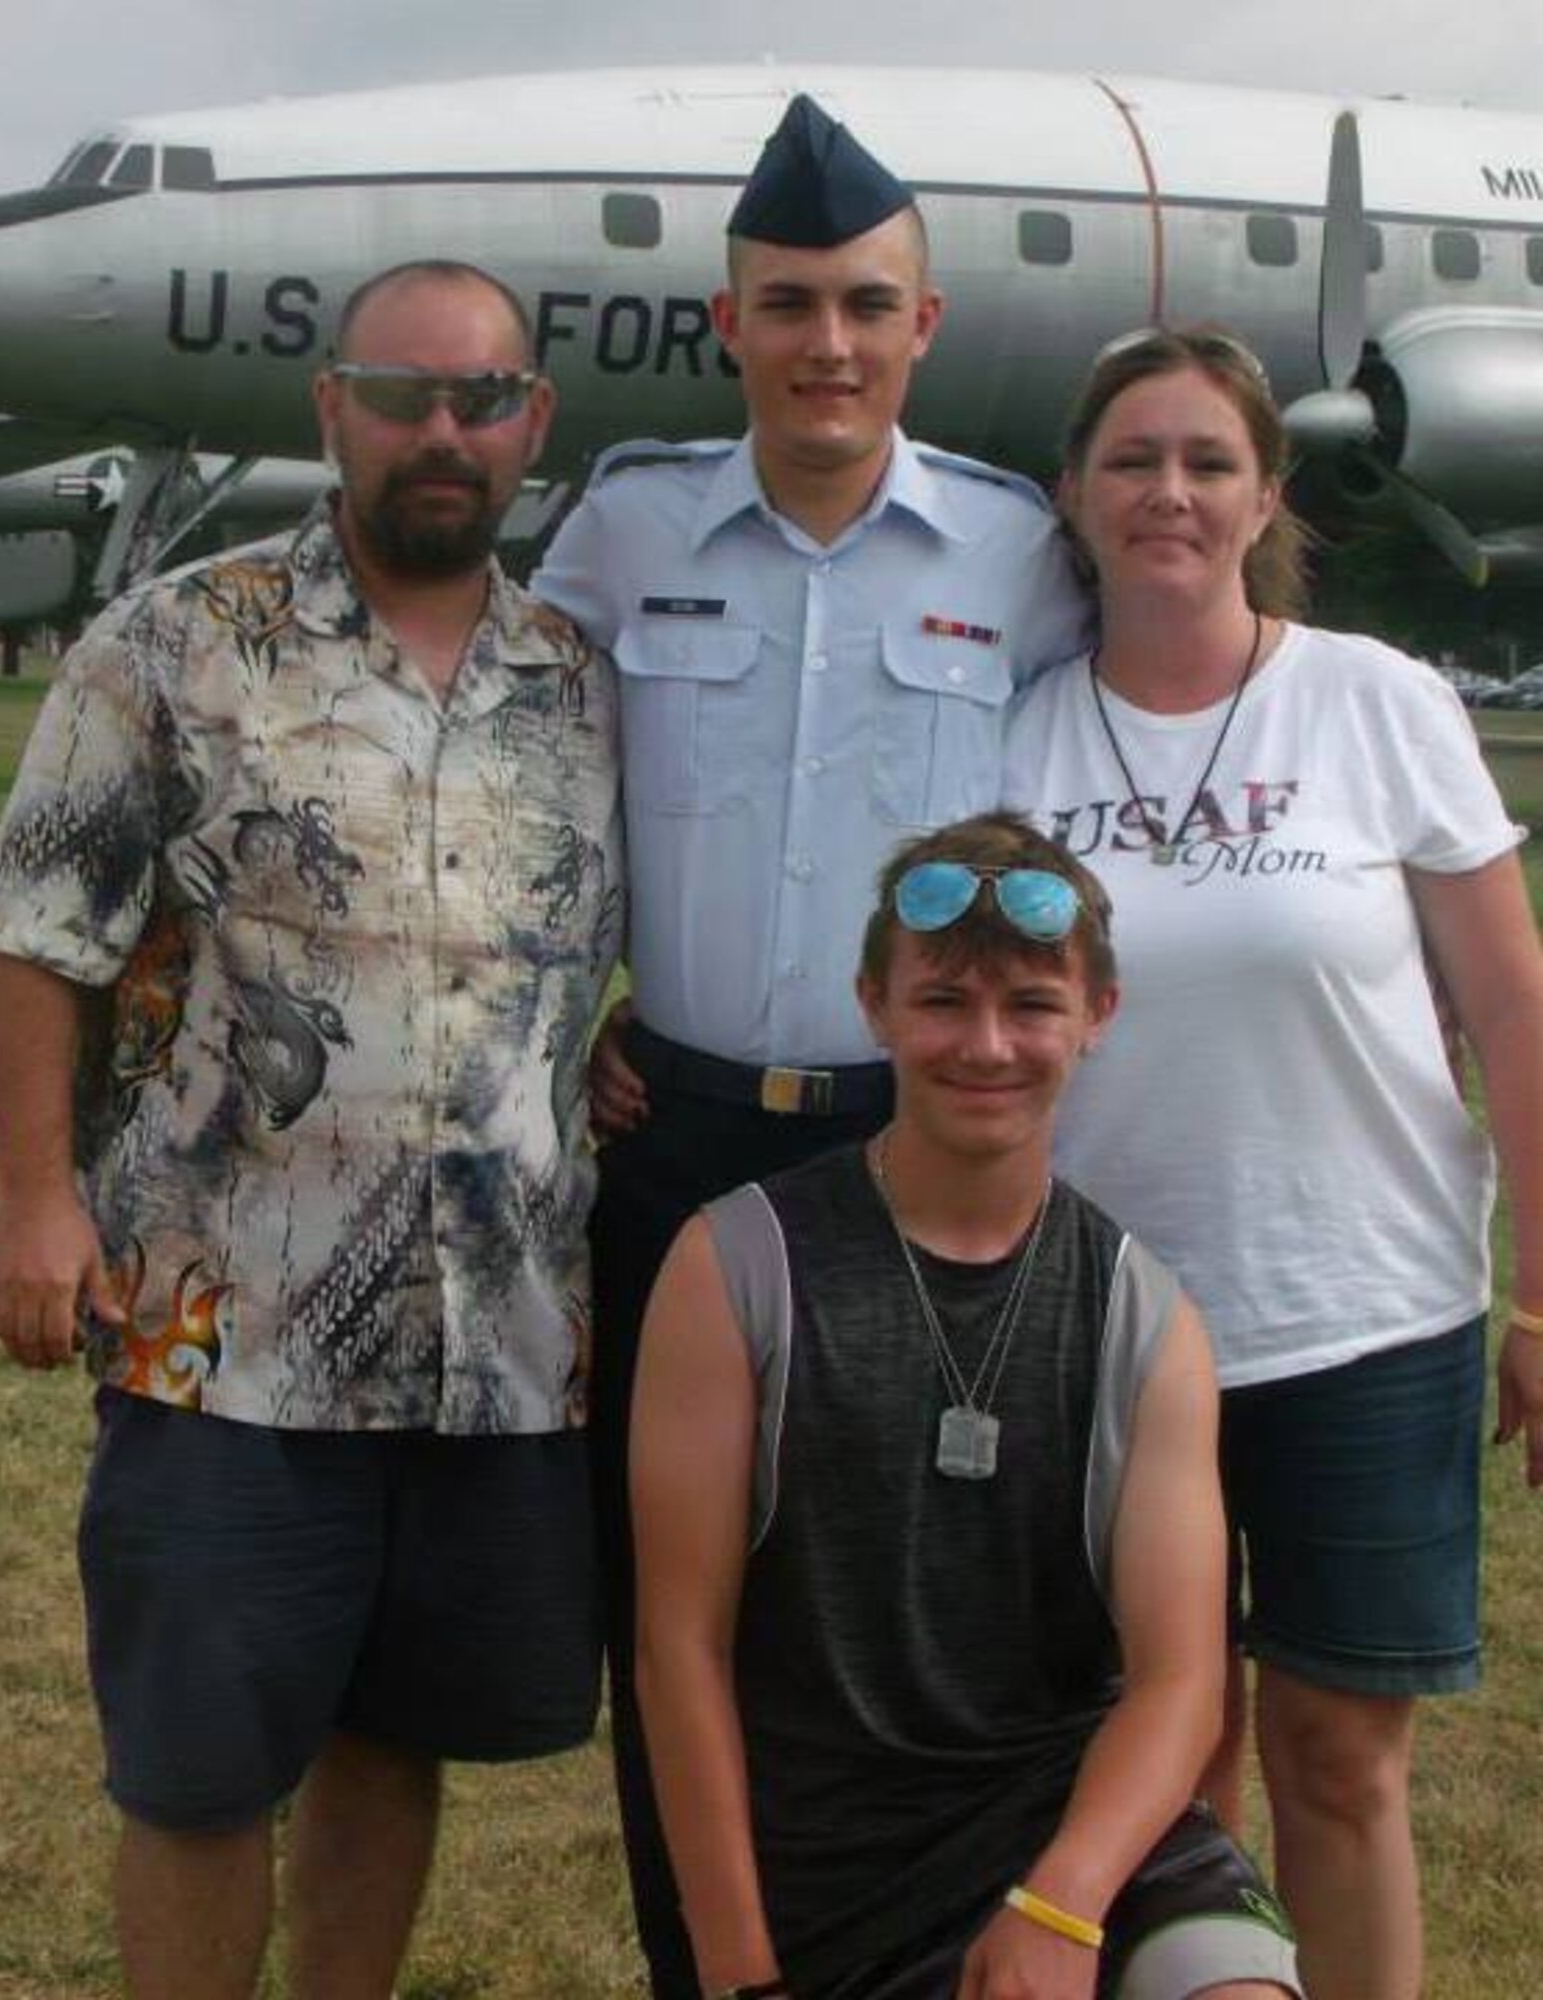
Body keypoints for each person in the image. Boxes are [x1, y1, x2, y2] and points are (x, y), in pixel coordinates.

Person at [0, 259, 623, 2000]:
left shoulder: (584, 686)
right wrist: (34, 1199)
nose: (441, 433)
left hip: (498, 1348)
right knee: (195, 1775)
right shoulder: (176, 644)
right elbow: (38, 933)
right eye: (401, 394)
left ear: (532, 425)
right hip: (222, 1335)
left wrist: (605, 1050)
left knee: (393, 1741)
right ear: (329, 406)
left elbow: (580, 955)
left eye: (481, 400)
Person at [531, 92, 1089, 1993]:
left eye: (865, 304)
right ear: (729, 324)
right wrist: (576, 1008)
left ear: (922, 328)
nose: (827, 343)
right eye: (789, 305)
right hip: (671, 1138)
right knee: (667, 1609)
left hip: (908, 1146)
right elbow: (533, 789)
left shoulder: (1019, 552)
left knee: (902, 1604)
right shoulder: (625, 525)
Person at [1002, 325, 1543, 2000]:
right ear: (1077, 498)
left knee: (1338, 1761)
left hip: (1362, 1320)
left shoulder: (1377, 701)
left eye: (1207, 463)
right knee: (1157, 1767)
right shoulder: (1015, 734)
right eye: (1133, 460)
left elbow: (1516, 1024)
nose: (1170, 493)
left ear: (1264, 496)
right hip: (1103, 1329)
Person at [632, 812, 1303, 2000]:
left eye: (1031, 1004)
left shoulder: (1143, 1316)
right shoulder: (733, 1266)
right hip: (829, 1860)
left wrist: (1061, 1900)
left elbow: (1177, 1681)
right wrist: (738, 1970)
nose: (985, 1045)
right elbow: (678, 1648)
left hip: (1082, 1837)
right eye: (941, 1000)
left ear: (1096, 1014)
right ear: (873, 1005)